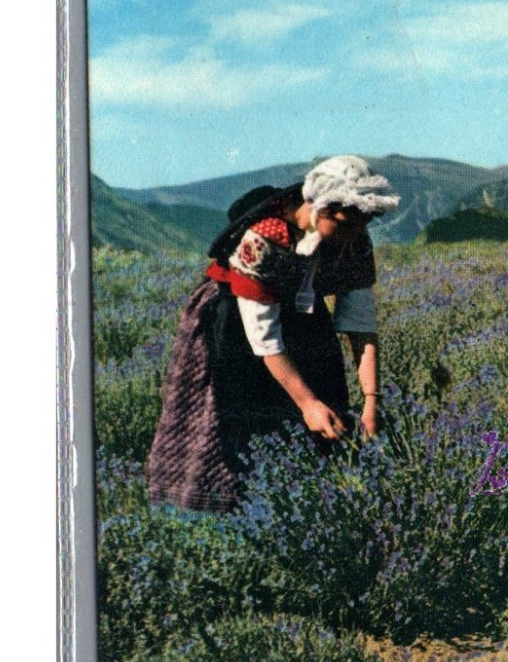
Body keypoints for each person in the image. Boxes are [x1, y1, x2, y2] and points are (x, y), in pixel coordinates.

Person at [146, 155, 401, 512]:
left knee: (327, 410)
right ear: (318, 207)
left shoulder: (354, 240)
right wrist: (307, 403)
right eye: (344, 224)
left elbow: (360, 325)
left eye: (362, 224)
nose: (353, 235)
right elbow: (264, 338)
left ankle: (309, 510)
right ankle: (225, 519)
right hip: (236, 318)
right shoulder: (263, 238)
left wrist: (371, 401)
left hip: (303, 313)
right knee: (237, 419)